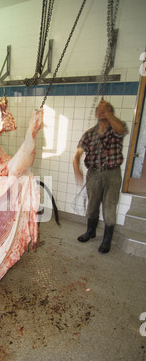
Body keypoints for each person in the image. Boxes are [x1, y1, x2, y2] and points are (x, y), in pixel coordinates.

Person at [73, 99, 128, 253]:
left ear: (111, 112)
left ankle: (106, 240)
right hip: (94, 173)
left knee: (110, 207)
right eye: (99, 109)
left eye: (105, 109)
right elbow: (77, 154)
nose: (101, 111)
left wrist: (108, 113)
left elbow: (121, 129)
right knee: (92, 205)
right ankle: (90, 231)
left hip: (112, 174)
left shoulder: (116, 129)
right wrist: (76, 167)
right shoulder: (90, 133)